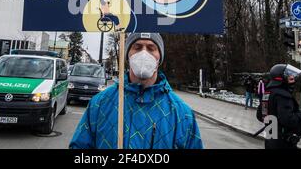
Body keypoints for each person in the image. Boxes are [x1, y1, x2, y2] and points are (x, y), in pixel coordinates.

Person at [69, 33, 203, 149]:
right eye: (137, 47)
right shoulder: (99, 104)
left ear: (159, 58)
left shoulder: (182, 114)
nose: (144, 53)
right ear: (128, 55)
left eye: (151, 48)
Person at [256, 64, 301, 149]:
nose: (293, 80)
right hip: (283, 141)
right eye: (290, 78)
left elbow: (260, 116)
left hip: (270, 138)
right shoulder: (283, 96)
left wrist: (272, 123)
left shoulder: (268, 93)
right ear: (281, 78)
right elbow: (287, 120)